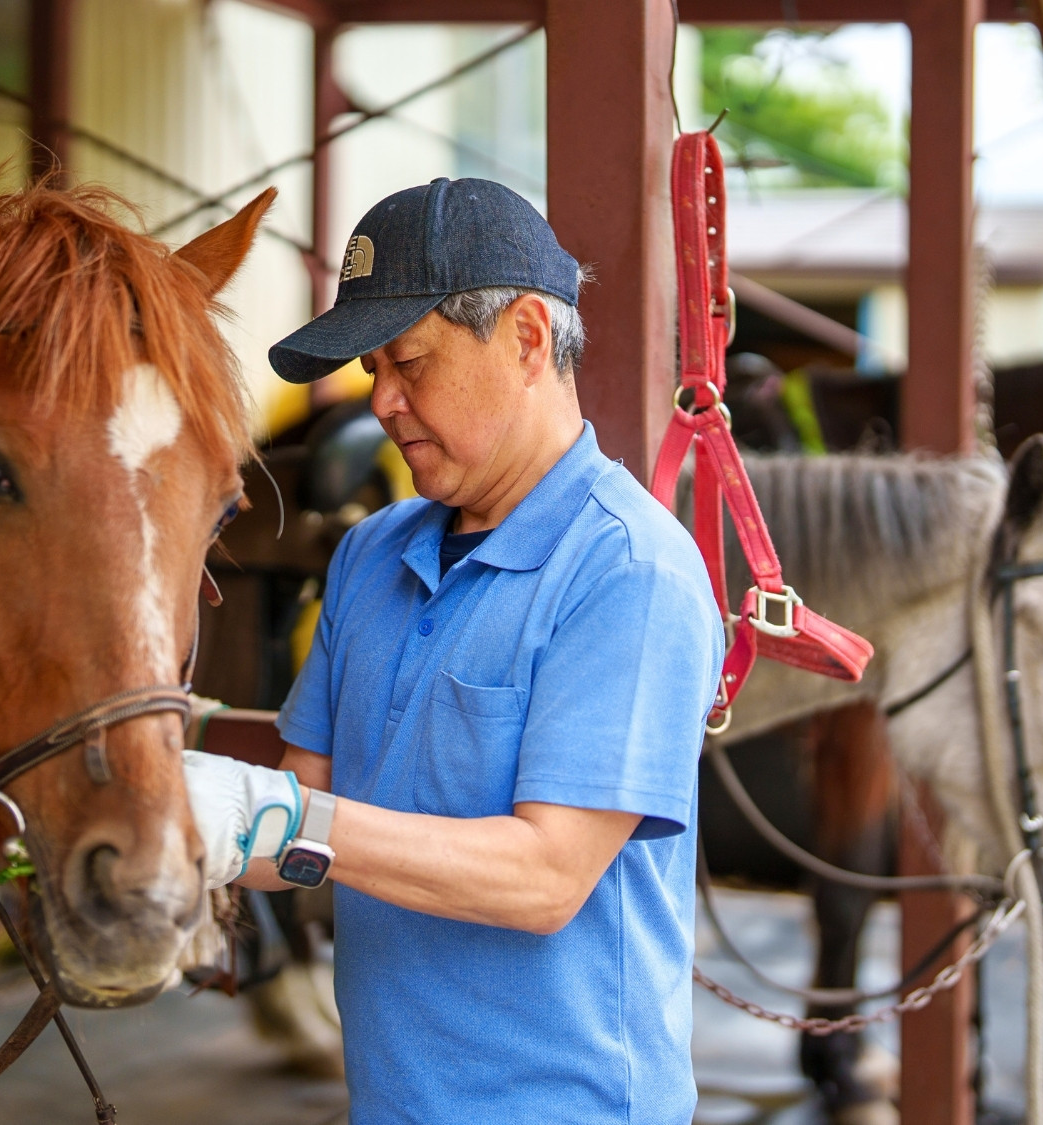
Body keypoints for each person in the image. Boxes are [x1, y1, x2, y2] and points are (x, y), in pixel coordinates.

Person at [184, 178, 722, 1125]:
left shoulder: (627, 570)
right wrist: (171, 817)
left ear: (523, 338)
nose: (383, 401)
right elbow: (293, 821)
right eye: (372, 371)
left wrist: (265, 812)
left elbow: (545, 876)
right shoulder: (371, 556)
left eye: (410, 363)